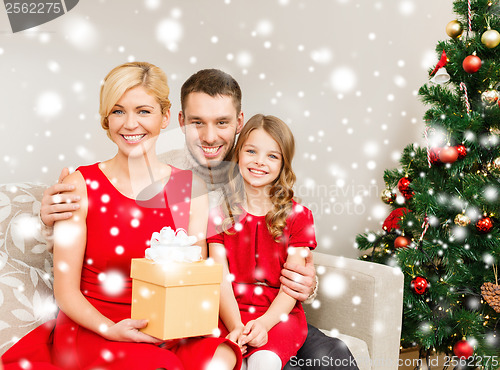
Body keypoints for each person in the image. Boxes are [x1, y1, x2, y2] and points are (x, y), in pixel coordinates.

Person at [39, 69, 358, 369]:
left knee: (333, 356)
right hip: (214, 313)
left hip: (265, 314)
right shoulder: (160, 169)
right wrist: (48, 213)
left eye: (221, 122)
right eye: (197, 123)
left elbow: (290, 233)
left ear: (239, 122)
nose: (209, 136)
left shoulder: (256, 158)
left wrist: (307, 283)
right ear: (178, 121)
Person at [2, 62, 241, 370]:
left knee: (222, 358)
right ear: (107, 119)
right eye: (118, 111)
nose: (130, 124)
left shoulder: (190, 187)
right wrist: (109, 329)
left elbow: (195, 277)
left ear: (165, 117)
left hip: (169, 327)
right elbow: (66, 291)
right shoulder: (80, 185)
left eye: (143, 111)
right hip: (97, 327)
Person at [208, 114, 316, 370]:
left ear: (283, 164)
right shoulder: (218, 212)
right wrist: (235, 326)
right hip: (226, 312)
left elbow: (292, 286)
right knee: (218, 363)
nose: (259, 162)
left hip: (278, 316)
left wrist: (265, 324)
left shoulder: (300, 217)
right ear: (238, 155)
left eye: (272, 156)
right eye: (251, 151)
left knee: (263, 361)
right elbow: (219, 278)